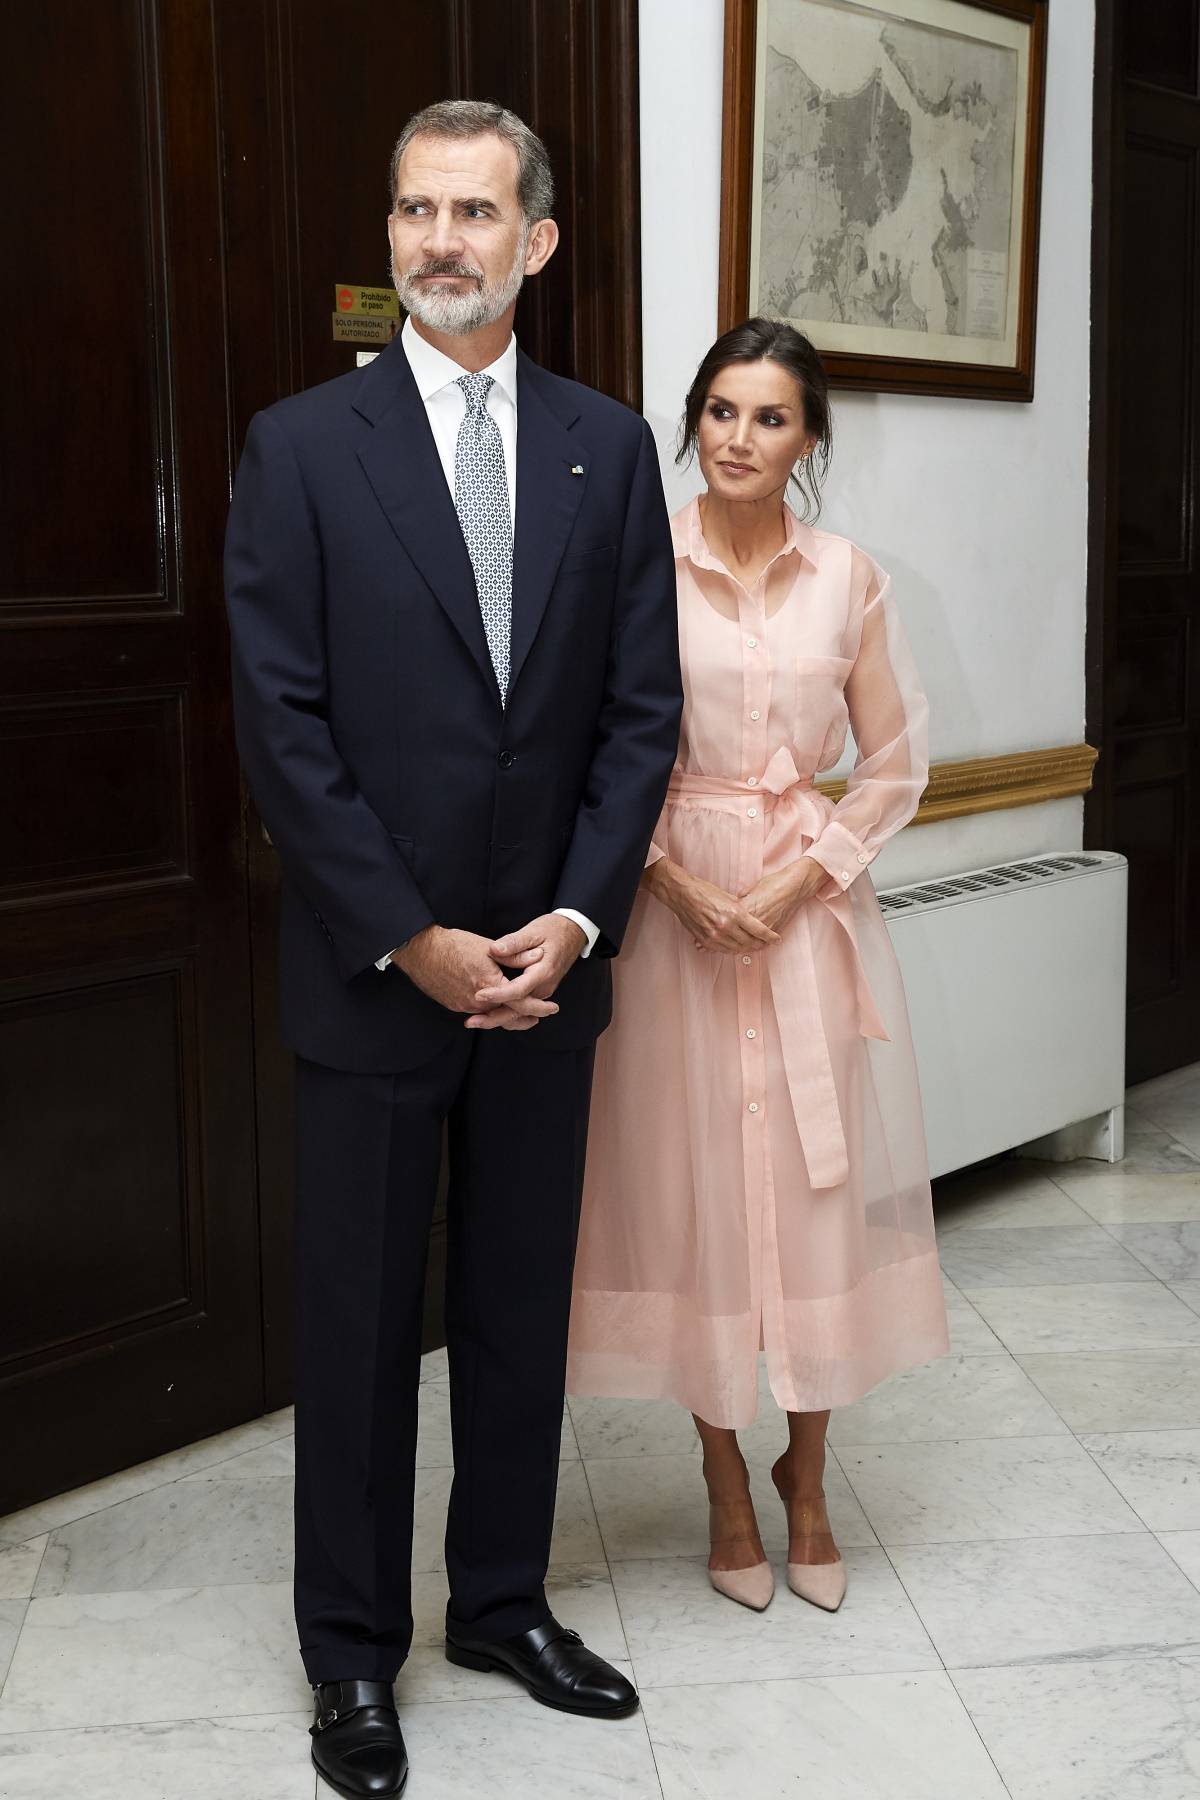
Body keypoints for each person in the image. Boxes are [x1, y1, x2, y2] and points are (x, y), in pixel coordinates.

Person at [224, 100, 681, 1799]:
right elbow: (282, 727)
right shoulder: (301, 448)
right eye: (416, 209)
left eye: (475, 213)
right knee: (352, 1336)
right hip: (374, 977)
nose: (439, 242)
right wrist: (411, 937)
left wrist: (568, 921)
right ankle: (351, 1657)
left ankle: (499, 1600)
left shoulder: (607, 445)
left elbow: (639, 718)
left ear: (535, 242)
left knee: (512, 1315)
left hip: (547, 979)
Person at [567, 318, 949, 1615]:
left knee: (808, 1200)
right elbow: (594, 755)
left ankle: (809, 1479)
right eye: (721, 411)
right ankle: (727, 1486)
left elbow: (897, 763)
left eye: (770, 417)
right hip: (673, 918)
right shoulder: (636, 564)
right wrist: (672, 880)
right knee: (698, 1200)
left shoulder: (850, 578)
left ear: (811, 437)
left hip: (809, 915)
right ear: (693, 422)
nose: (740, 438)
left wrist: (799, 878)